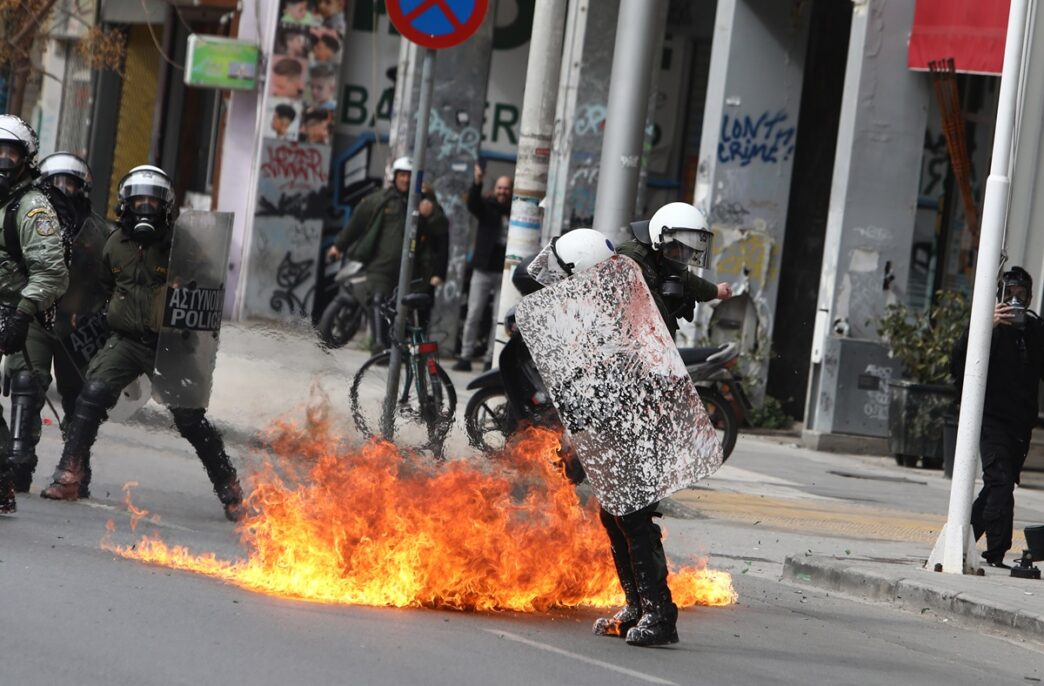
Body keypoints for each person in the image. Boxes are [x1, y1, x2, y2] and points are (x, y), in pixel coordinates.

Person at [40, 165, 244, 522]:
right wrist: (81, 312)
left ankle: (229, 486)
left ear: (165, 205)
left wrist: (185, 285)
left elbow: (208, 283)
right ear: (126, 205)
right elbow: (100, 284)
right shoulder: (113, 244)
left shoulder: (180, 244)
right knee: (92, 396)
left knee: (190, 419)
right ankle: (71, 473)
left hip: (171, 344)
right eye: (139, 200)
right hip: (126, 341)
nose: (145, 207)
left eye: (153, 200)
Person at [593, 202, 731, 647]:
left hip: (643, 404)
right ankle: (637, 606)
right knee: (613, 511)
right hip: (622, 402)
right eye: (678, 248)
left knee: (633, 513)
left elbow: (687, 282)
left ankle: (660, 614)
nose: (683, 257)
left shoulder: (658, 260)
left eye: (690, 250)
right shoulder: (628, 268)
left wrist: (715, 292)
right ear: (659, 239)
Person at [7, 152, 113, 495]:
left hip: (79, 326)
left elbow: (116, 280)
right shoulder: (28, 217)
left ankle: (75, 466)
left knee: (80, 397)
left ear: (83, 190)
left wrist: (102, 317)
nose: (63, 191)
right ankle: (18, 462)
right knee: (26, 381)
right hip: (36, 315)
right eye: (55, 183)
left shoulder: (100, 233)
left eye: (71, 184)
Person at [0, 116, 70, 515]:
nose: (2, 161)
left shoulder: (32, 209)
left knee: (26, 385)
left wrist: (23, 315)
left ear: (26, 160)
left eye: (9, 153)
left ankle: (4, 479)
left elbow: (51, 273)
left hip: (12, 308)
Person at [951, 266, 1044, 568]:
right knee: (1000, 481)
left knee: (997, 486)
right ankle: (996, 552)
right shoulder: (985, 327)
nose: (1015, 302)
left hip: (1021, 422)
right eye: (1009, 295)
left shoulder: (1035, 331)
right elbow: (957, 363)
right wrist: (985, 327)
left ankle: (960, 537)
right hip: (991, 418)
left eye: (1021, 296)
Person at [326, 157, 448, 354]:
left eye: (409, 176)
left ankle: (407, 347)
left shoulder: (423, 203)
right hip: (381, 267)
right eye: (402, 175)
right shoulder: (379, 200)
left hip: (412, 270)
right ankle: (380, 347)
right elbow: (356, 224)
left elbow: (441, 229)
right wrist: (338, 247)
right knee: (377, 299)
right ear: (395, 177)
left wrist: (431, 213)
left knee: (410, 309)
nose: (406, 180)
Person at [453, 163, 512, 371]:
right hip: (483, 269)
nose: (502, 192)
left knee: (499, 318)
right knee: (473, 313)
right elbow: (473, 204)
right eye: (499, 188)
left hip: (504, 272)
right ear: (494, 189)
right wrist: (477, 181)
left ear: (511, 190)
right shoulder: (487, 206)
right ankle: (465, 356)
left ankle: (490, 359)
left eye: (506, 188)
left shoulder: (516, 211)